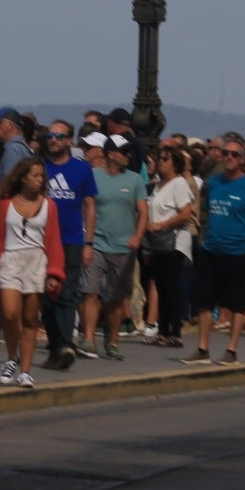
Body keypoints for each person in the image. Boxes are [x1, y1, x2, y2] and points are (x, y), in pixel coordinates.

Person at [0, 158, 64, 389]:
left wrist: (54, 272)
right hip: (10, 260)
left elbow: (54, 240)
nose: (40, 180)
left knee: (30, 319)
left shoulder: (49, 205)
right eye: (35, 175)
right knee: (9, 313)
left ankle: (25, 371)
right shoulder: (5, 205)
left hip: (36, 260)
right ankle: (11, 357)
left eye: (41, 176)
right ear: (22, 177)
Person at [182, 136, 245, 367]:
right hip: (211, 250)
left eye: (235, 154)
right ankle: (202, 348)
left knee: (236, 303)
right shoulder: (214, 183)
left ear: (243, 160)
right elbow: (207, 211)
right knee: (205, 301)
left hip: (237, 252)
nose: (229, 157)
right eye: (226, 153)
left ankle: (231, 350)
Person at [79, 134, 147, 360]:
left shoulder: (135, 180)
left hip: (123, 247)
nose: (128, 156)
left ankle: (113, 340)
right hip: (96, 243)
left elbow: (143, 212)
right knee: (90, 292)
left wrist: (137, 236)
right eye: (124, 152)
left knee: (116, 298)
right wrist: (86, 241)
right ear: (110, 154)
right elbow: (86, 207)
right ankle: (89, 339)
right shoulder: (92, 176)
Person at [38, 120, 96, 369]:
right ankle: (55, 347)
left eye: (59, 136)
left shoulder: (82, 169)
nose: (53, 140)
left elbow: (90, 206)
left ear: (69, 141)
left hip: (71, 240)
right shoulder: (39, 168)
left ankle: (65, 345)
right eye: (50, 135)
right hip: (41, 242)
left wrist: (89, 242)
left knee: (67, 294)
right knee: (46, 298)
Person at [143, 146, 195, 348]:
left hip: (173, 241)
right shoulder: (156, 186)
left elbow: (185, 213)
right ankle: (162, 331)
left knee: (172, 287)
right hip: (156, 243)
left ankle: (175, 332)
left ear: (175, 163)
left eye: (166, 158)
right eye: (160, 158)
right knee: (161, 286)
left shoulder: (179, 184)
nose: (161, 161)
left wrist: (161, 225)